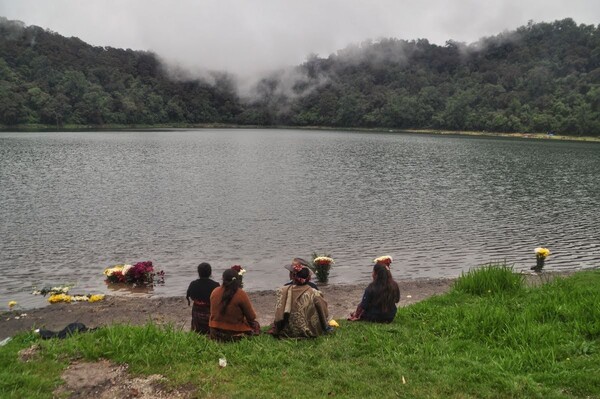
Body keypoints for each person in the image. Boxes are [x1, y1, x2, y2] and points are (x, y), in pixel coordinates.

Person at [272, 265, 329, 338]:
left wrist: (277, 328)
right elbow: (324, 313)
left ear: (294, 276)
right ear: (309, 278)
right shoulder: (314, 293)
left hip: (287, 332)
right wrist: (325, 326)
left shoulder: (282, 291)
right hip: (310, 332)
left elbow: (278, 316)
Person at [209, 268, 260, 341]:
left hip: (215, 331)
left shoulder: (215, 291)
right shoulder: (241, 293)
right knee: (255, 324)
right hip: (234, 333)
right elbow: (251, 317)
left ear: (223, 279)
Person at [186, 262, 220, 334]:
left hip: (197, 316)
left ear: (198, 272)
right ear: (210, 272)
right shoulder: (216, 285)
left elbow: (190, 296)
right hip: (210, 316)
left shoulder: (193, 284)